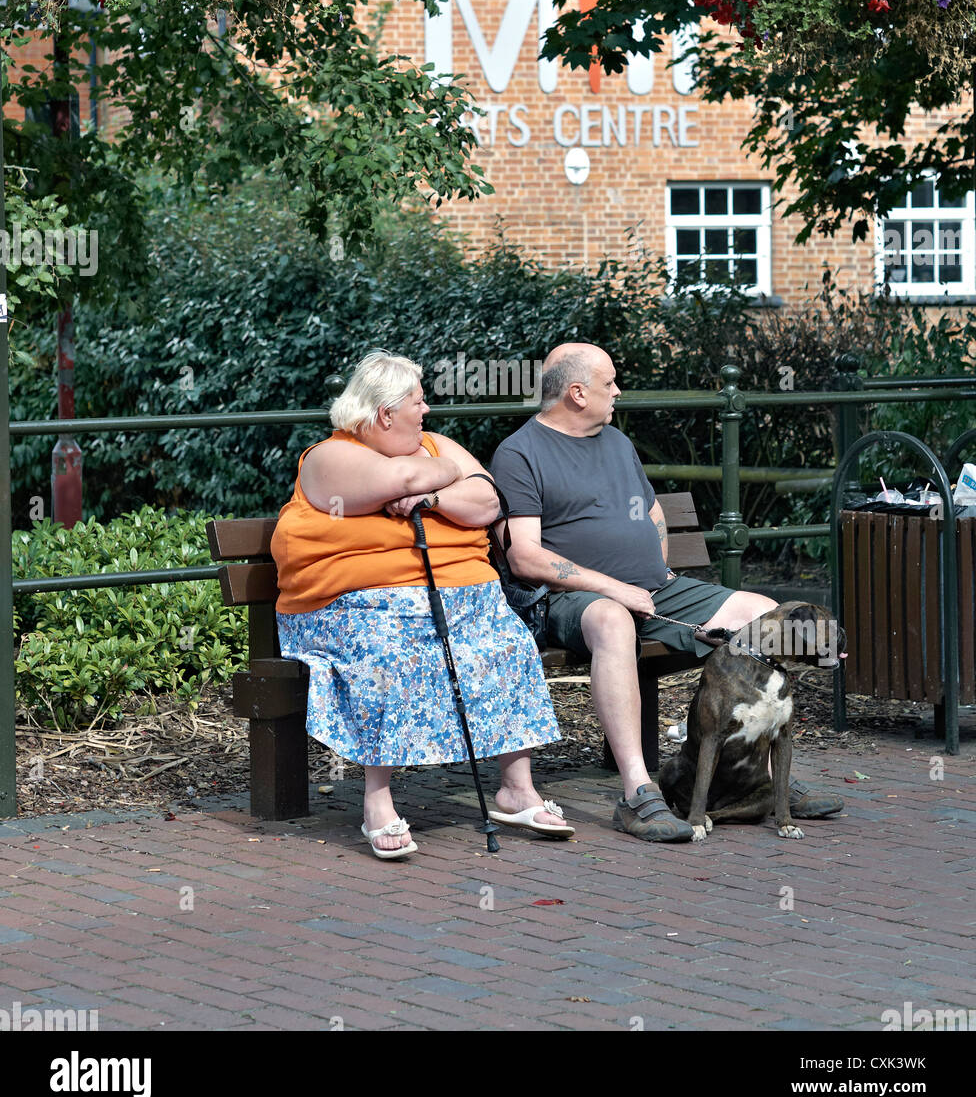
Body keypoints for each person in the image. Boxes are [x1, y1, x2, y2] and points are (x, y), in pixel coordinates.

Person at [490, 342, 844, 844]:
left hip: (655, 590)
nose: (617, 391)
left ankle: (759, 778)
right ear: (576, 392)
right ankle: (639, 793)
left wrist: (655, 574)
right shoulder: (520, 453)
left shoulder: (614, 442)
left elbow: (652, 514)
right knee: (613, 620)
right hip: (570, 601)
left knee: (765, 614)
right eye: (608, 382)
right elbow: (525, 556)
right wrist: (617, 587)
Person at [271, 349, 571, 860]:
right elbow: (405, 481)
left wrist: (434, 497)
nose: (427, 410)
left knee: (508, 642)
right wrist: (448, 470)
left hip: (464, 601)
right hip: (353, 609)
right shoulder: (331, 456)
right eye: (417, 400)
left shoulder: (431, 446)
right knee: (393, 655)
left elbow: (489, 502)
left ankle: (515, 788)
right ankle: (377, 800)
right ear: (385, 413)